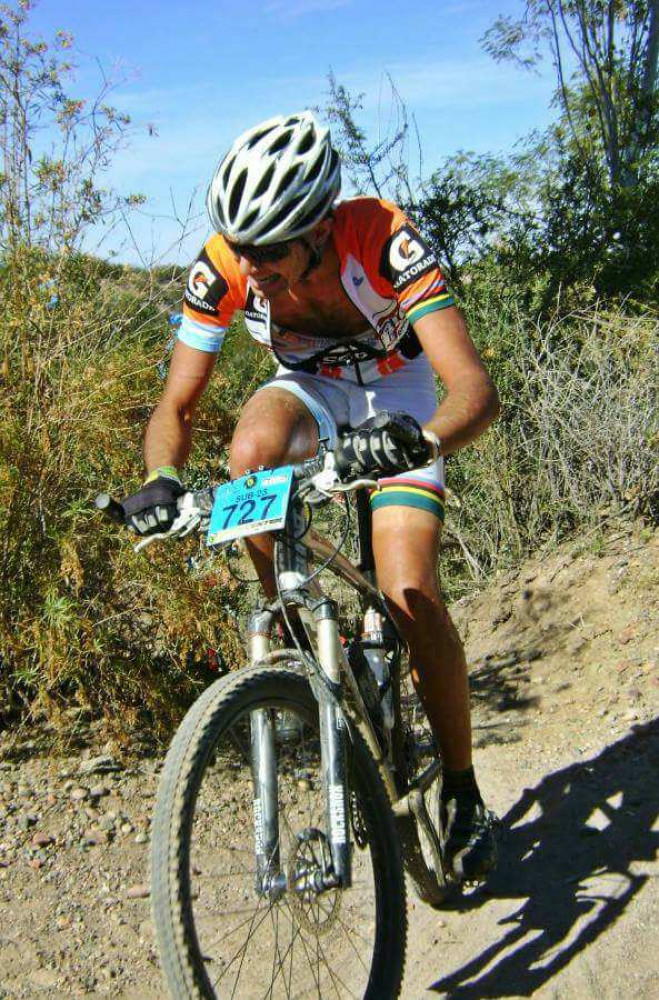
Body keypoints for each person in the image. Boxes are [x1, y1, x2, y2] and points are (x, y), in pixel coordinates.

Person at [122, 111, 500, 882]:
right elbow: (178, 405)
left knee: (408, 593)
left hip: (399, 392)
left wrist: (421, 439)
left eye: (267, 252)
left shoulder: (381, 237)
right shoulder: (226, 263)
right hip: (311, 389)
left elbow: (473, 390)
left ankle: (460, 790)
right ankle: (295, 636)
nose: (249, 266)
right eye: (239, 246)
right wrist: (160, 477)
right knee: (251, 449)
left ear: (320, 227)